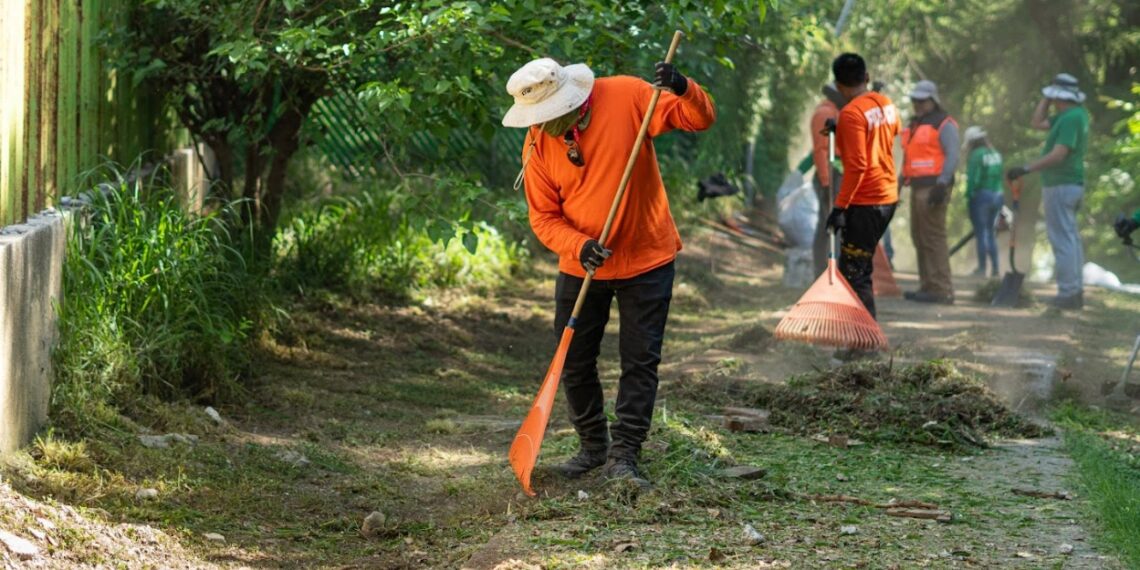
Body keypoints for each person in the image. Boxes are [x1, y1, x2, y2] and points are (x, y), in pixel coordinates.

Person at [502, 57, 716, 488]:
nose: (542, 126)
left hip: (646, 256)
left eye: (549, 117)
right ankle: (593, 446)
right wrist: (579, 246)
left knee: (640, 361)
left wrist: (683, 86)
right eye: (536, 119)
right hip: (583, 266)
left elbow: (699, 119)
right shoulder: (537, 143)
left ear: (571, 101)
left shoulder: (627, 95)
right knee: (575, 362)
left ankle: (625, 456)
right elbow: (544, 218)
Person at [825, 52, 900, 324]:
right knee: (859, 267)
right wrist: (842, 129)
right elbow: (890, 131)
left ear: (839, 86)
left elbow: (857, 166)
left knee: (855, 272)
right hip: (888, 197)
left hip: (866, 201)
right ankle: (861, 340)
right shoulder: (887, 104)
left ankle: (864, 345)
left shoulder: (851, 113)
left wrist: (839, 207)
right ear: (866, 77)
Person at [1007, 73, 1090, 310]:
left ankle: (1068, 293)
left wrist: (1026, 168)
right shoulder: (1071, 115)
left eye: (1052, 96)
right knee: (1070, 238)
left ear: (1059, 96)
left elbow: (1059, 154)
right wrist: (1046, 97)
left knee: (1062, 239)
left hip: (1061, 185)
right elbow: (1036, 122)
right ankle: (1074, 291)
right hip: (1068, 184)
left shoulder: (1071, 118)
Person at [900, 80, 960, 304]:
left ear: (933, 100)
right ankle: (928, 286)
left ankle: (942, 289)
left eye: (922, 100)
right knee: (919, 237)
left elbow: (953, 155)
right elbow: (908, 159)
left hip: (934, 188)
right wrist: (897, 185)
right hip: (916, 187)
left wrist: (942, 184)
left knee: (933, 238)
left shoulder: (944, 124)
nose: (918, 104)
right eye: (915, 100)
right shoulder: (914, 125)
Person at [810, 83, 847, 275]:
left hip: (836, 174)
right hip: (829, 176)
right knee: (830, 226)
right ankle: (825, 273)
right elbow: (821, 150)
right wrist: (826, 182)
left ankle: (828, 273)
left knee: (829, 224)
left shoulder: (837, 112)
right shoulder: (825, 114)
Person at [963, 126, 1004, 277]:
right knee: (991, 233)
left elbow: (973, 179)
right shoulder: (996, 154)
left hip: (981, 197)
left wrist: (969, 196)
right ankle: (995, 268)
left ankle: (981, 269)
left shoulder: (976, 155)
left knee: (981, 233)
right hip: (997, 196)